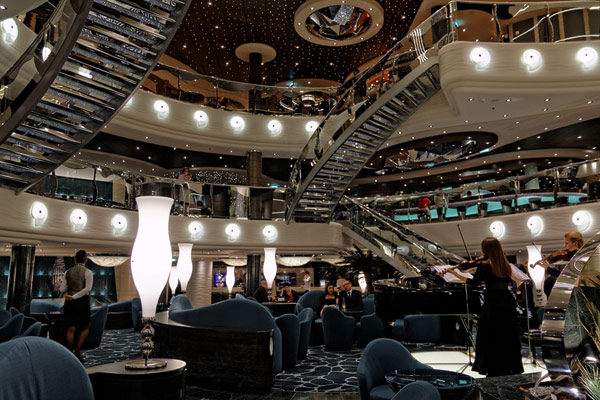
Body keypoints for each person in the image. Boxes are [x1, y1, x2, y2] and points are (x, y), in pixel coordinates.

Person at [447, 238, 524, 377]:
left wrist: (456, 274)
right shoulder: (505, 264)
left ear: (485, 249)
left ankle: (493, 367)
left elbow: (474, 283)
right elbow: (514, 282)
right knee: (507, 333)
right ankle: (510, 366)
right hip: (507, 301)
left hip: (493, 302)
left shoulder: (484, 265)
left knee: (490, 333)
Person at [59, 250, 93, 362]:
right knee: (85, 326)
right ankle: (77, 351)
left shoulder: (67, 272)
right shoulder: (88, 272)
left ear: (75, 259)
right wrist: (75, 296)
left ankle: (70, 354)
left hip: (69, 301)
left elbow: (62, 289)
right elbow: (87, 289)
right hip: (82, 301)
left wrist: (71, 295)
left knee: (71, 327)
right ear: (85, 260)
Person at [534, 231, 584, 297]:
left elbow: (564, 276)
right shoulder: (577, 256)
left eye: (567, 243)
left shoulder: (578, 259)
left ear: (575, 243)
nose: (565, 247)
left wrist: (547, 268)